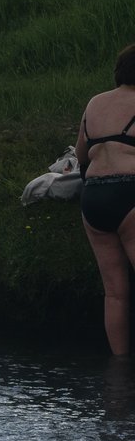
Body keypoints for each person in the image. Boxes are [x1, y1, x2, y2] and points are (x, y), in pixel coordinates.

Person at [79, 41, 135, 356]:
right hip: (131, 191)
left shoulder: (95, 103)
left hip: (94, 197)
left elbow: (80, 154)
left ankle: (119, 368)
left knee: (114, 294)